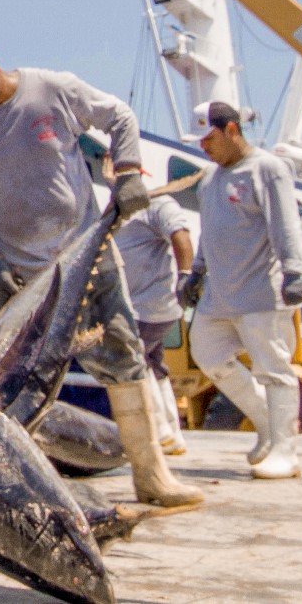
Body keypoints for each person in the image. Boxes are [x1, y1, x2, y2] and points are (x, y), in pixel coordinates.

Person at [0, 27, 203, 507]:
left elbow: (118, 116)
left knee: (124, 358)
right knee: (3, 379)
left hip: (86, 256)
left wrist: (132, 172)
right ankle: (6, 484)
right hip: (15, 272)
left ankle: (152, 476)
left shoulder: (52, 90)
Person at [177, 101, 302, 479]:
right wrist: (196, 272)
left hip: (260, 292)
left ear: (232, 130)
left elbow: (285, 224)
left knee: (274, 369)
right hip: (219, 293)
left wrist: (294, 271)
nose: (204, 147)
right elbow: (209, 231)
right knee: (208, 354)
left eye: (209, 138)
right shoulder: (210, 179)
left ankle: (286, 450)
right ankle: (268, 424)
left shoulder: (268, 169)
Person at [112, 185, 194, 455]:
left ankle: (160, 431)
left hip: (149, 305)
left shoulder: (159, 204)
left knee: (132, 359)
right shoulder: (124, 207)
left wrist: (185, 275)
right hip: (141, 304)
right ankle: (173, 434)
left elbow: (180, 234)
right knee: (153, 363)